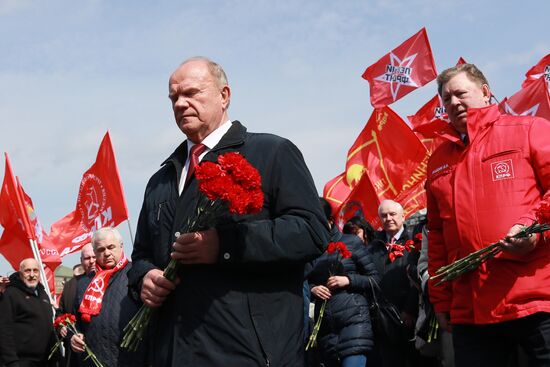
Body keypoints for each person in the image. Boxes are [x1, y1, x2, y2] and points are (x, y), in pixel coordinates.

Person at [127, 56, 329, 366]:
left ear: (224, 95)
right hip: (172, 351)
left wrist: (225, 246)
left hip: (247, 353)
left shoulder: (272, 152)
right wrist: (144, 278)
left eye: (192, 93)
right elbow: (140, 254)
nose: (180, 104)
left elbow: (311, 232)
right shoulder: (161, 180)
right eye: (174, 97)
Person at [426, 63, 550, 367]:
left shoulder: (529, 130)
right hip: (470, 310)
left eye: (460, 93)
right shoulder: (437, 160)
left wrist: (532, 229)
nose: (453, 103)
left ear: (484, 92)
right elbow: (437, 236)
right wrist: (441, 300)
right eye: (446, 99)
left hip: (534, 299)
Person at [306, 198, 379, 367]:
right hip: (325, 327)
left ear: (330, 221)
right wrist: (313, 289)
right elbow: (303, 281)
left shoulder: (351, 242)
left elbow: (375, 279)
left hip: (354, 321)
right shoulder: (309, 248)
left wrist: (349, 280)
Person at [70, 228, 144, 366]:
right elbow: (76, 322)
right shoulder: (83, 284)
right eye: (101, 249)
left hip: (131, 360)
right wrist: (74, 336)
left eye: (111, 247)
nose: (107, 253)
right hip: (94, 361)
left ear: (121, 246)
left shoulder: (136, 274)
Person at [367, 199, 420, 367]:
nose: (388, 218)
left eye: (392, 214)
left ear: (403, 217)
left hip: (409, 315)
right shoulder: (373, 245)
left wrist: (409, 309)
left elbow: (417, 278)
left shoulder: (415, 241)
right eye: (384, 215)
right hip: (381, 318)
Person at [0, 258, 58, 367]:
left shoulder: (43, 294)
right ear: (20, 273)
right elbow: (4, 329)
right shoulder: (11, 294)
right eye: (27, 271)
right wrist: (11, 361)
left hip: (45, 361)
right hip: (21, 361)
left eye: (35, 270)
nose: (32, 274)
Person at [58, 244, 96, 367]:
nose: (91, 261)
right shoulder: (70, 286)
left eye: (94, 257)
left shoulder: (110, 281)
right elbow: (61, 313)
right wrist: (61, 327)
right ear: (81, 261)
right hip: (75, 354)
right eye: (87, 258)